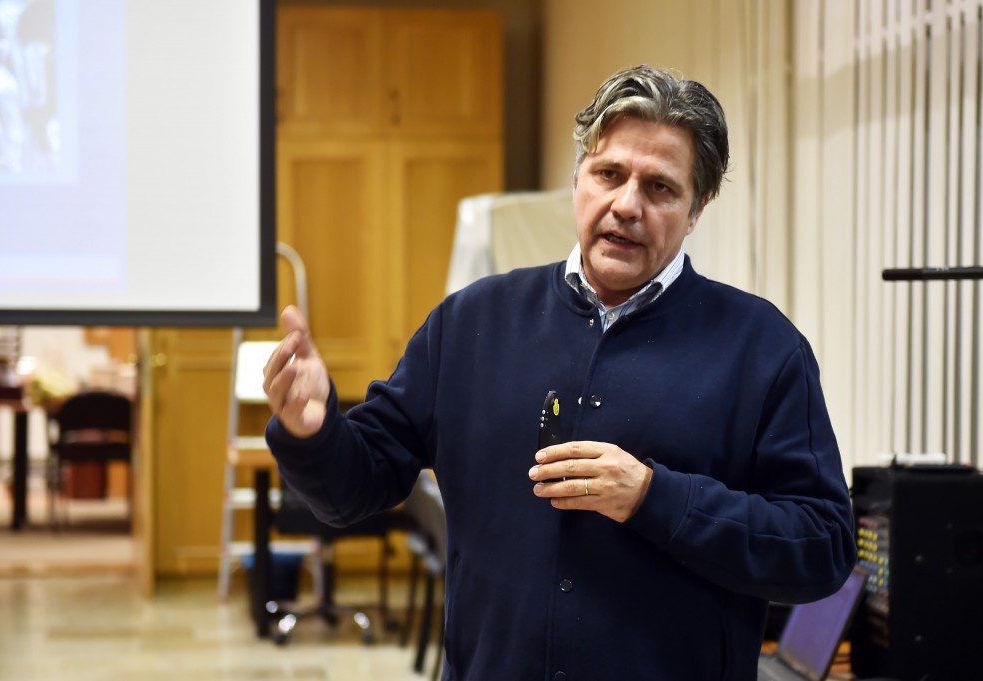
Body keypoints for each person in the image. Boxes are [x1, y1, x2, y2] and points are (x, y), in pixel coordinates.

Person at [263, 63, 856, 680]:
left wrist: (654, 497)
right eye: (609, 174)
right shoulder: (472, 323)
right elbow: (354, 491)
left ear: (697, 208)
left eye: (660, 188)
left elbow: (821, 548)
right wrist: (312, 431)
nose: (626, 205)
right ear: (577, 180)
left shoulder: (761, 347)